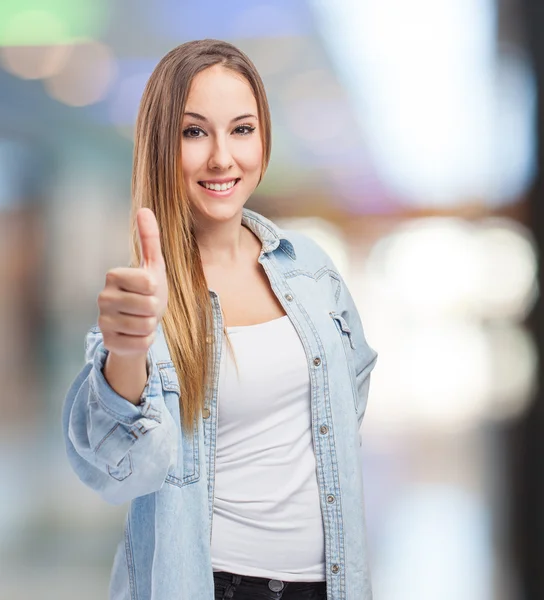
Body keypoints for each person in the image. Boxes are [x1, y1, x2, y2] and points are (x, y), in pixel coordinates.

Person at [62, 39, 378, 600]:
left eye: (241, 129)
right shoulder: (148, 299)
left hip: (331, 582)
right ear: (161, 144)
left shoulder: (308, 267)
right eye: (193, 132)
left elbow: (349, 389)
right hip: (214, 585)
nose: (221, 158)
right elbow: (120, 474)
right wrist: (129, 351)